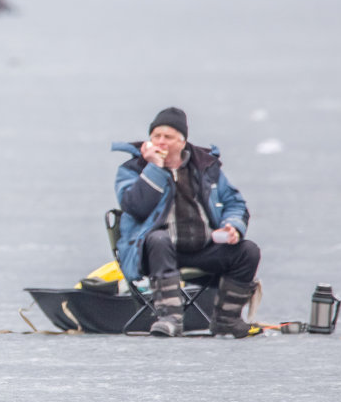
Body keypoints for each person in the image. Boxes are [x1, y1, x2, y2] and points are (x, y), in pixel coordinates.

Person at [112, 107, 263, 338]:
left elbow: (235, 203)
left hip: (202, 247)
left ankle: (227, 320)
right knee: (159, 240)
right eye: (156, 136)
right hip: (154, 252)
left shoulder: (205, 167)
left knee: (248, 251)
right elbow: (135, 207)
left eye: (168, 137)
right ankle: (169, 318)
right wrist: (154, 168)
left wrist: (233, 226)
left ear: (182, 142)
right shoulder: (133, 169)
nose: (161, 142)